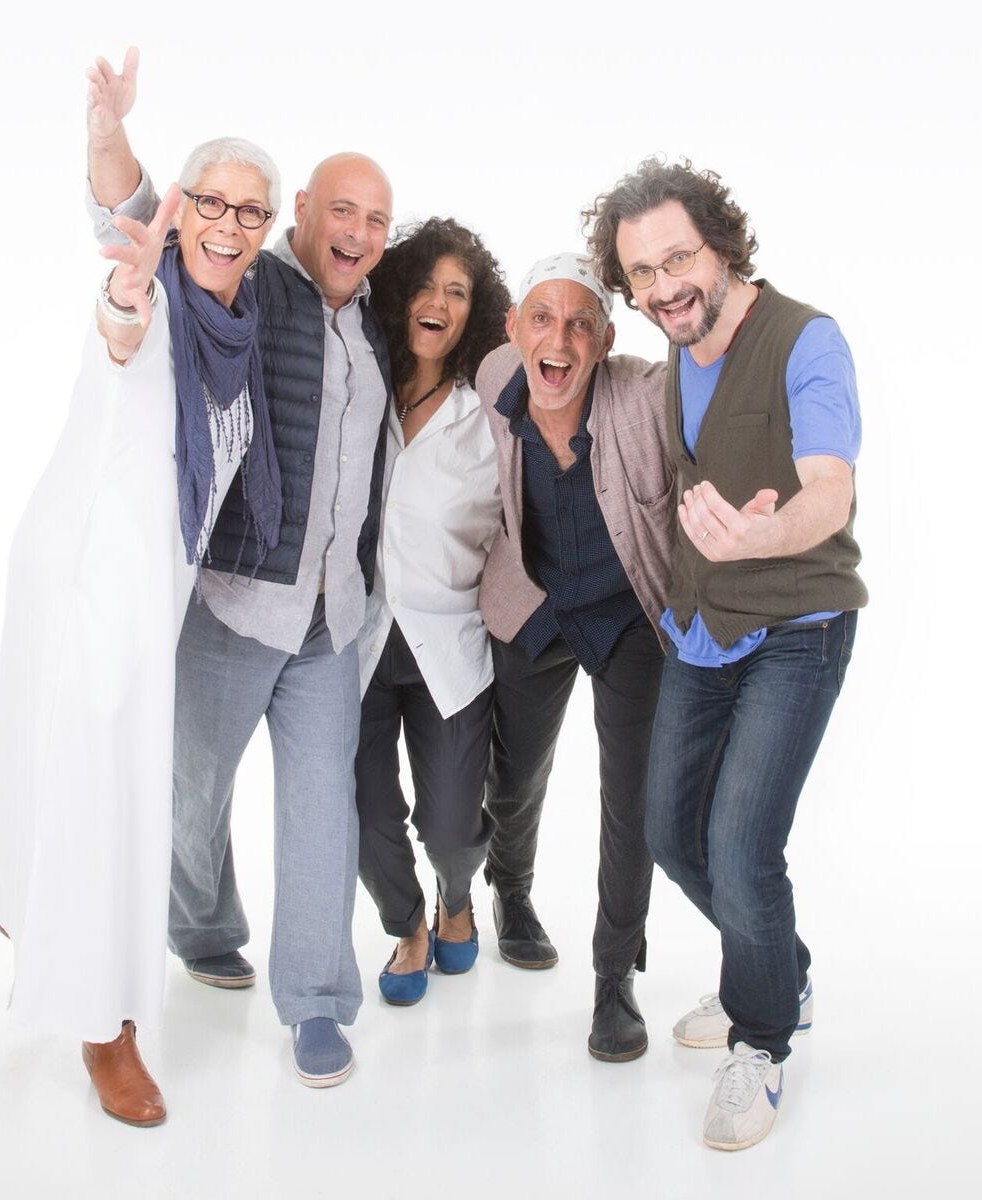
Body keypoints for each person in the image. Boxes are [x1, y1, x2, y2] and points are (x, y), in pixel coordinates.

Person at [0, 117, 283, 1127]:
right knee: (111, 793)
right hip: (89, 574)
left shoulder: (243, 323)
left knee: (87, 768)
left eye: (249, 211)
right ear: (181, 212)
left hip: (147, 586)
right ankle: (106, 1025)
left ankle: (0, 862)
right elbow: (120, 317)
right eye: (208, 203)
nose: (227, 225)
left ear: (267, 227)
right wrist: (122, 279)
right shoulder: (155, 294)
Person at [84, 51, 393, 1087]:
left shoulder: (376, 320)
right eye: (341, 211)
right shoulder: (250, 279)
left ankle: (317, 1000)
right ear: (298, 212)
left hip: (331, 619)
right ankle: (203, 927)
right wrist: (108, 135)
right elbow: (148, 223)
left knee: (322, 810)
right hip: (232, 602)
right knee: (191, 796)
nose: (357, 233)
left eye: (376, 221)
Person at [584, 157, 867, 1150]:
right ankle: (777, 970)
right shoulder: (674, 363)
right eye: (641, 273)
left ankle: (763, 1037)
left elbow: (828, 488)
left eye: (678, 260)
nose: (663, 287)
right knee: (671, 833)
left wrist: (765, 534)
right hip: (701, 633)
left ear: (722, 246)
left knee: (743, 847)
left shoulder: (806, 340)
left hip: (796, 628)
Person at [473, 254, 674, 1061]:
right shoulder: (496, 376)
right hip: (535, 599)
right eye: (542, 319)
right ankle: (510, 890)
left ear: (607, 340)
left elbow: (713, 387)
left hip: (629, 615)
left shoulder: (646, 396)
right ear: (513, 329)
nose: (559, 340)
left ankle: (614, 977)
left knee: (630, 800)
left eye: (582, 324)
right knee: (515, 774)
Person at [354, 218, 509, 1004]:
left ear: (473, 314)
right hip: (357, 638)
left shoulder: (487, 416)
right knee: (362, 809)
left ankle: (455, 896)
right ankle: (408, 924)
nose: (437, 303)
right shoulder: (362, 388)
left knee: (450, 826)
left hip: (448, 643)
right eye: (425, 285)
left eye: (457, 292)